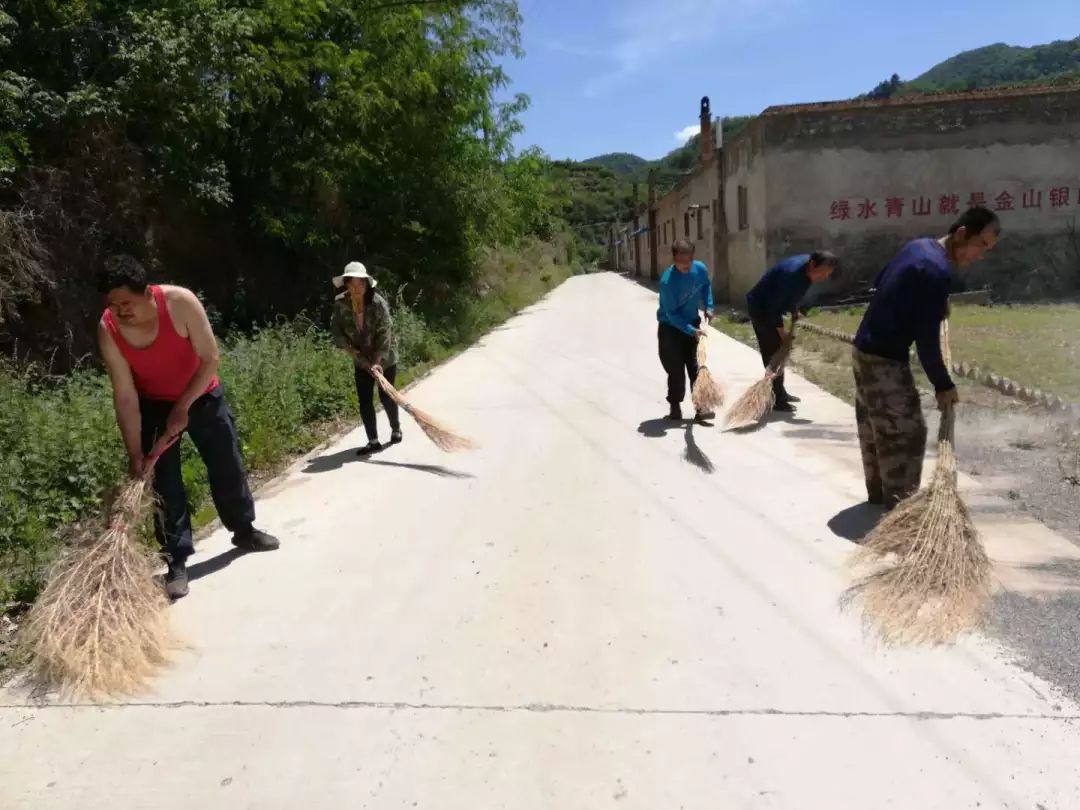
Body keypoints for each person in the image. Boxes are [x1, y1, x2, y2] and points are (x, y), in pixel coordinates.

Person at [97, 255, 279, 600]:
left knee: (227, 463)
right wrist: (135, 452)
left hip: (202, 393)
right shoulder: (109, 329)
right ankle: (176, 561)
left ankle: (244, 530)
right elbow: (124, 395)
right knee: (165, 485)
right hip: (153, 404)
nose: (120, 311)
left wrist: (183, 406)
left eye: (126, 303)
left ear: (147, 292)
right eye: (112, 304)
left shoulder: (179, 303)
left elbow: (210, 358)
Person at [852, 206, 1000, 509]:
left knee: (875, 426)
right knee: (907, 434)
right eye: (981, 244)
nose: (980, 255)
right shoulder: (937, 272)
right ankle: (899, 511)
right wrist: (943, 385)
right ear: (962, 234)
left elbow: (882, 281)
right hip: (884, 360)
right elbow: (927, 343)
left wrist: (932, 302)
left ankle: (878, 495)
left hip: (862, 348)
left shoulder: (919, 247)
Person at [745, 252, 840, 411]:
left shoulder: (807, 272)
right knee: (774, 352)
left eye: (828, 274)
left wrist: (794, 311)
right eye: (822, 272)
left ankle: (780, 392)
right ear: (812, 265)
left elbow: (790, 297)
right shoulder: (791, 275)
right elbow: (773, 309)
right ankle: (775, 398)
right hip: (761, 308)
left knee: (780, 352)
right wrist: (783, 336)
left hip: (772, 306)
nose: (824, 277)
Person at [330, 262, 402, 455]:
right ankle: (373, 440)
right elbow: (336, 331)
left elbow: (384, 333)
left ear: (366, 284)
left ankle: (395, 429)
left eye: (360, 284)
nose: (356, 289)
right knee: (364, 399)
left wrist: (378, 362)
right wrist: (352, 351)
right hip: (360, 358)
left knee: (387, 396)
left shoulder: (377, 302)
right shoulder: (340, 304)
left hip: (384, 356)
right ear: (346, 284)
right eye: (352, 284)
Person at [657, 239, 715, 422]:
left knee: (695, 367)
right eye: (681, 262)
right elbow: (671, 314)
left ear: (693, 257)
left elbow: (706, 286)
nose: (686, 266)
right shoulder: (668, 282)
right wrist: (691, 330)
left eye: (689, 261)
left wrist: (709, 306)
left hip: (692, 323)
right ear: (674, 259)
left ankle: (700, 407)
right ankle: (675, 406)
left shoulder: (700, 269)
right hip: (671, 329)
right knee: (675, 370)